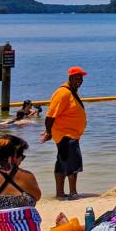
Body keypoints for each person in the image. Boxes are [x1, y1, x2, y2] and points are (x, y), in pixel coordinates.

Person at [40, 65, 88, 201]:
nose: (79, 80)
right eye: (77, 78)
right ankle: (73, 193)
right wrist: (48, 133)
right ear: (70, 78)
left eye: (81, 78)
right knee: (73, 163)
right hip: (66, 135)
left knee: (61, 163)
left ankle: (60, 194)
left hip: (70, 134)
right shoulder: (63, 93)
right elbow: (50, 117)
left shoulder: (73, 91)